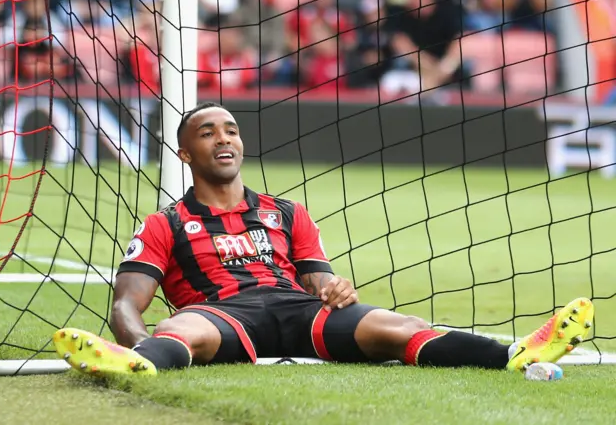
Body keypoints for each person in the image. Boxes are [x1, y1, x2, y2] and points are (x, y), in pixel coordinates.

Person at [53, 102, 594, 376]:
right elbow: (127, 302)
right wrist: (131, 341)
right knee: (178, 328)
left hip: (297, 311)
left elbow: (319, 281)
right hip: (224, 316)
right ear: (186, 154)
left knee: (403, 327)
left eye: (232, 130)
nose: (224, 139)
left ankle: (514, 356)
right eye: (208, 132)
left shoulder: (286, 212)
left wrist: (335, 288)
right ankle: (141, 363)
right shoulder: (163, 223)